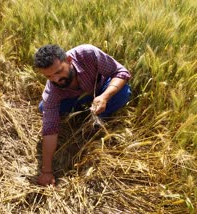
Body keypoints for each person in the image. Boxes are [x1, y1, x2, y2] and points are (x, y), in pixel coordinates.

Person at [34, 44, 131, 186]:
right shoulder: (52, 92)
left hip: (101, 88)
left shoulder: (88, 54)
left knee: (123, 93)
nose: (56, 79)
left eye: (59, 71)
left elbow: (121, 73)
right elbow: (50, 130)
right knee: (44, 108)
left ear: (69, 60)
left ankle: (101, 116)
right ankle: (86, 110)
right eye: (49, 76)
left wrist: (104, 96)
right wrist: (46, 171)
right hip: (74, 98)